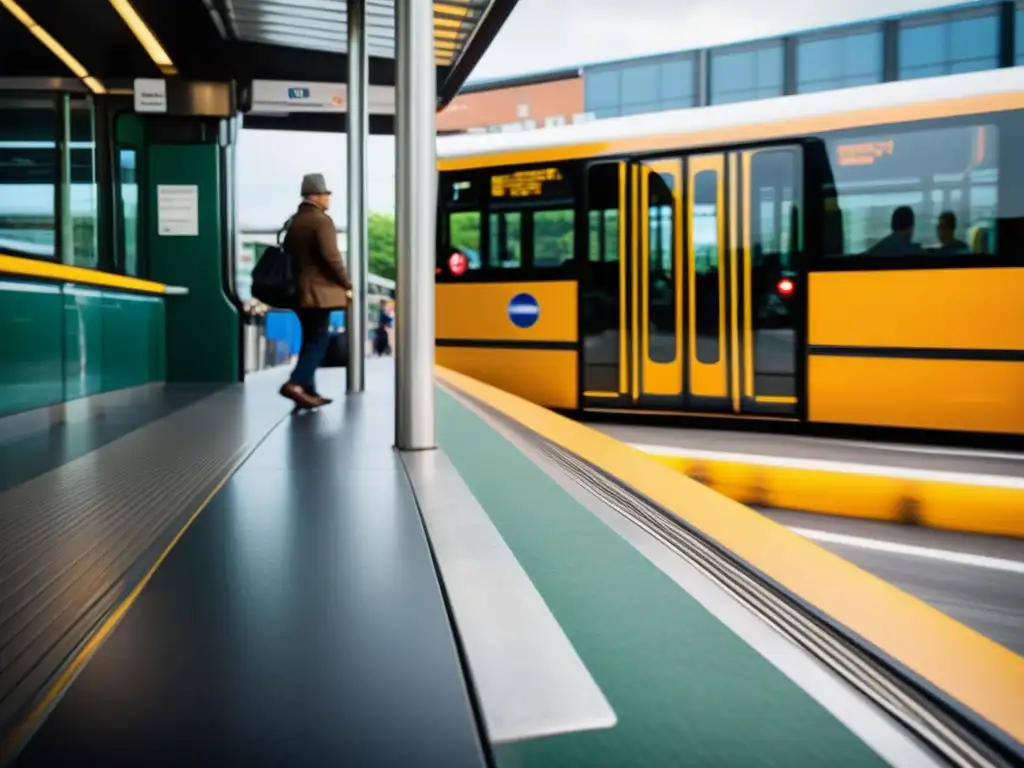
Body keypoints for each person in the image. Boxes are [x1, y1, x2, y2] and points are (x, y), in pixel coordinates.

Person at [278, 173, 352, 409]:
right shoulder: (321, 221)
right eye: (325, 195)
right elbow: (332, 257)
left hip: (298, 292)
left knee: (309, 339)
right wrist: (347, 282)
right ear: (315, 196)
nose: (328, 199)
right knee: (319, 340)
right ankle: (296, 383)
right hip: (318, 294)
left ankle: (308, 392)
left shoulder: (295, 221)